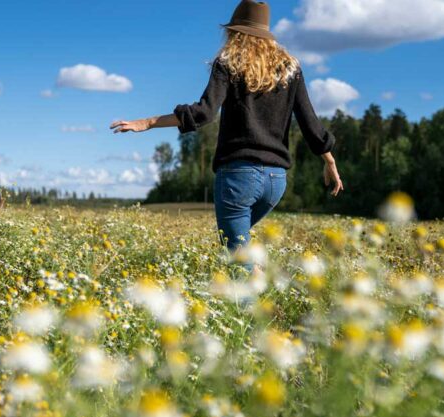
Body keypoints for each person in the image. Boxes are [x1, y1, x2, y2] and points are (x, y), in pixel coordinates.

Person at [111, 0, 344, 258]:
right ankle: (258, 278)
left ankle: (253, 288)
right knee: (240, 250)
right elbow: (309, 122)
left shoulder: (228, 62)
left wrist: (148, 122)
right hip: (276, 181)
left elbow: (205, 113)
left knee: (237, 259)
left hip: (238, 176)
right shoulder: (290, 69)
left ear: (235, 32)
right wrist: (330, 161)